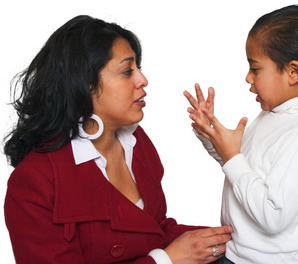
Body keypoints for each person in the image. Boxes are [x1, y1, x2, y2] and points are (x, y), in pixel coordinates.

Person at [3, 15, 233, 264]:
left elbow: (151, 230)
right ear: (85, 83)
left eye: (139, 68)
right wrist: (165, 260)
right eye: (127, 71)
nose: (143, 80)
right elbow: (158, 250)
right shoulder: (34, 184)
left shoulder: (135, 141)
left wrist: (231, 238)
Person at [184, 5, 298, 264]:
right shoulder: (277, 114)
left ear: (293, 72)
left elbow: (273, 215)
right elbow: (239, 168)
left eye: (255, 68)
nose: (248, 78)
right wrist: (211, 134)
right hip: (238, 254)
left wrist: (233, 156)